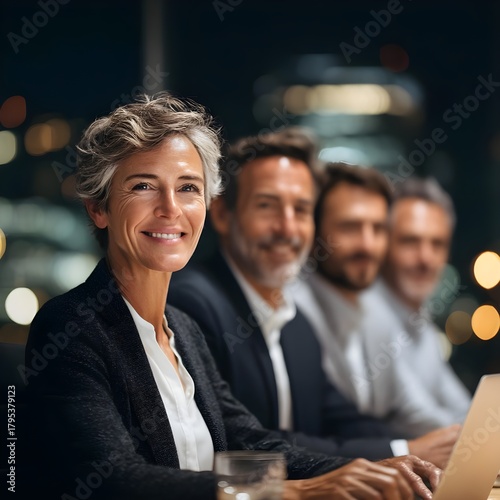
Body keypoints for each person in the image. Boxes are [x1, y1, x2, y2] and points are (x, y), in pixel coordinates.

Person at [23, 94, 440, 500]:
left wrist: (369, 470)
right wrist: (298, 492)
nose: (171, 208)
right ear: (99, 208)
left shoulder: (182, 330)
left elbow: (251, 442)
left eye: (188, 187)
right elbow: (117, 481)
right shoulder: (71, 326)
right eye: (144, 186)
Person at [168, 129, 457, 470]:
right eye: (267, 206)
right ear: (221, 215)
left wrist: (421, 449)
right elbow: (245, 443)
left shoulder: (297, 325)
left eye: (301, 209)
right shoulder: (192, 305)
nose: (287, 228)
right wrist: (403, 449)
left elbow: (341, 419)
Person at [292, 163, 463, 441]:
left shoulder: (373, 314)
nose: (367, 245)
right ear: (314, 231)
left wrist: (482, 439)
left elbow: (412, 409)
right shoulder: (293, 312)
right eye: (350, 227)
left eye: (378, 228)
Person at [373, 177, 470, 425]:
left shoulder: (423, 328)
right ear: (383, 243)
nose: (426, 258)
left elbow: (462, 408)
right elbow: (415, 419)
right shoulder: (366, 315)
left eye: (437, 244)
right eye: (410, 241)